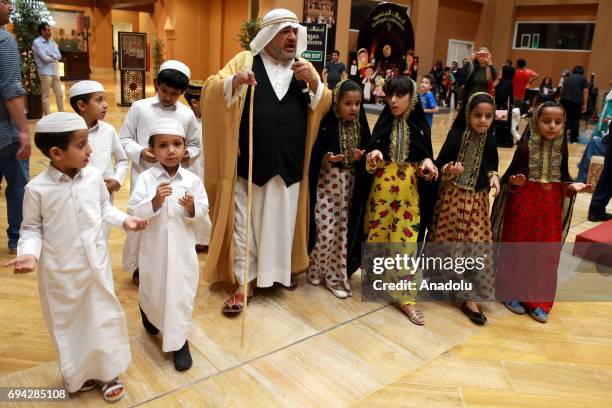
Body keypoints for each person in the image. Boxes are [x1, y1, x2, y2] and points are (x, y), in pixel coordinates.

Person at [4, 112, 148, 401]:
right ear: (56, 153)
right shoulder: (37, 189)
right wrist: (30, 254)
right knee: (71, 324)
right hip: (61, 273)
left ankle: (109, 373)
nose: (90, 150)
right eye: (82, 145)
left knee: (102, 317)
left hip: (97, 266)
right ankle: (80, 373)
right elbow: (31, 228)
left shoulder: (94, 176)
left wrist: (125, 221)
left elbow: (104, 208)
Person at [202, 8, 331, 313]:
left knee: (283, 223)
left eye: (294, 32)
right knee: (246, 226)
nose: (291, 37)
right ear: (268, 34)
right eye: (285, 31)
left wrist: (315, 83)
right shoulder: (246, 60)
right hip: (250, 165)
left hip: (289, 164)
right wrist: (235, 81)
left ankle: (278, 273)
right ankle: (244, 282)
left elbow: (323, 105)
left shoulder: (304, 68)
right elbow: (212, 90)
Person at [492, 102, 592, 322]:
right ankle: (512, 293)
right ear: (536, 121)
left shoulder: (561, 147)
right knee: (518, 249)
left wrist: (570, 186)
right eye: (547, 121)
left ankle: (538, 300)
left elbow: (564, 177)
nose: (553, 126)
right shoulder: (526, 147)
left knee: (545, 253)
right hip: (523, 208)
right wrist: (514, 182)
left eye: (558, 122)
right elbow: (509, 178)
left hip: (549, 210)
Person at [129, 117, 208, 371]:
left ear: (185, 148)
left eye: (176, 144)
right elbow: (134, 212)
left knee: (181, 293)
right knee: (153, 287)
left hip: (183, 251)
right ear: (152, 150)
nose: (171, 150)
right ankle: (148, 313)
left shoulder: (192, 180)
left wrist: (192, 207)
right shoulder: (146, 179)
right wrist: (154, 202)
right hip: (154, 249)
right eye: (163, 145)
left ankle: (178, 340)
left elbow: (203, 211)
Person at [362, 76, 438, 325]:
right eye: (390, 95)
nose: (393, 100)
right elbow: (374, 148)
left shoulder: (420, 126)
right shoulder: (384, 121)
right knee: (378, 236)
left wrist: (427, 162)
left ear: (412, 97)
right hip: (382, 192)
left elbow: (425, 156)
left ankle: (406, 299)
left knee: (405, 243)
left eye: (400, 95)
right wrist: (373, 153)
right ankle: (379, 285)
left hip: (408, 195)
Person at [119, 60, 202, 285]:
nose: (167, 97)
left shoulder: (186, 115)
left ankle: (170, 263)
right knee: (143, 216)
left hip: (175, 176)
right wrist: (141, 152)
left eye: (174, 94)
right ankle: (138, 265)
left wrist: (187, 154)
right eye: (164, 91)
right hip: (145, 174)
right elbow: (124, 138)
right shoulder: (140, 108)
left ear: (182, 93)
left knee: (171, 221)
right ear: (156, 85)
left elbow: (195, 143)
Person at [429, 92, 500, 326]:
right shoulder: (457, 136)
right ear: (468, 114)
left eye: (488, 116)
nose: (483, 121)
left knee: (475, 246)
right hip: (452, 198)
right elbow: (440, 164)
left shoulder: (490, 139)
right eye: (478, 115)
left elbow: (492, 166)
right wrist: (449, 169)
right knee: (447, 242)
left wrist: (494, 178)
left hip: (478, 202)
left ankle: (469, 296)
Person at [307, 79, 370, 299]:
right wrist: (326, 158)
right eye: (348, 103)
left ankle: (335, 277)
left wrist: (361, 159)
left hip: (349, 188)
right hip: (327, 186)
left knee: (343, 233)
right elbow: (314, 157)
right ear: (337, 103)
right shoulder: (326, 125)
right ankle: (315, 268)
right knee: (325, 232)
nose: (353, 108)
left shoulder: (361, 127)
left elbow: (368, 153)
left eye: (357, 103)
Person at [69, 80, 128, 238]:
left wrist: (117, 180)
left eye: (105, 99)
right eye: (99, 100)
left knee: (102, 236)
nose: (106, 105)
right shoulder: (68, 134)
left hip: (105, 194)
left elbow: (122, 160)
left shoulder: (108, 131)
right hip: (76, 195)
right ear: (82, 106)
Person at [0, 8, 31, 254]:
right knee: (18, 185)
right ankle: (17, 238)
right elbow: (11, 90)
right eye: (5, 0)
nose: (10, 6)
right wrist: (23, 130)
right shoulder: (5, 40)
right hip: (5, 132)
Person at [183, 79, 212, 250]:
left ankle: (206, 238)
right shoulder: (186, 121)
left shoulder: (213, 121)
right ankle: (198, 239)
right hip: (191, 170)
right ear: (195, 102)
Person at [32, 22, 64, 115]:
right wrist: (54, 56)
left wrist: (51, 55)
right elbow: (44, 59)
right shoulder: (37, 42)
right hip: (45, 72)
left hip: (55, 71)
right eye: (48, 30)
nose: (50, 32)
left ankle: (62, 115)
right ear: (42, 31)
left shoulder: (51, 41)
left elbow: (59, 56)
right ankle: (48, 117)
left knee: (60, 94)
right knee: (46, 96)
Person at [560, 65, 589, 143]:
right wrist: (585, 104)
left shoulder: (568, 77)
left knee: (564, 119)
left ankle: (561, 137)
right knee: (575, 120)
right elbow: (586, 91)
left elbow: (562, 89)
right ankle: (573, 139)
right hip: (575, 101)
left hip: (564, 100)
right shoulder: (583, 79)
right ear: (582, 72)